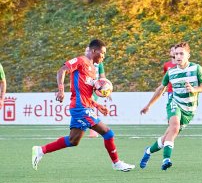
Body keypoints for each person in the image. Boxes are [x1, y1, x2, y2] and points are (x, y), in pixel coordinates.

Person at [31, 39, 135, 172]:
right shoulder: (81, 61)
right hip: (81, 108)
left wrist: (98, 106)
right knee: (108, 133)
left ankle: (41, 150)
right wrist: (61, 89)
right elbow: (61, 70)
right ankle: (116, 163)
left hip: (83, 107)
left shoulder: (93, 70)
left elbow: (86, 95)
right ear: (93, 51)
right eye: (102, 53)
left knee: (73, 140)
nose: (103, 56)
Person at [139, 42, 202, 171]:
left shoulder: (196, 68)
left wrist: (194, 89)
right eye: (176, 54)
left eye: (181, 53)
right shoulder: (171, 72)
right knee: (175, 127)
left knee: (168, 136)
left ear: (188, 55)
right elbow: (161, 88)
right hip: (174, 103)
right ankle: (166, 159)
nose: (178, 56)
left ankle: (148, 151)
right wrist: (149, 105)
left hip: (189, 110)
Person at [85, 46, 108, 138]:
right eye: (85, 50)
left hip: (95, 88)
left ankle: (93, 131)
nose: (86, 52)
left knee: (90, 106)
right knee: (88, 107)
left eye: (88, 50)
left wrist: (106, 89)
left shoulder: (99, 63)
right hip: (86, 88)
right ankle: (92, 130)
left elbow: (102, 77)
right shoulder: (84, 63)